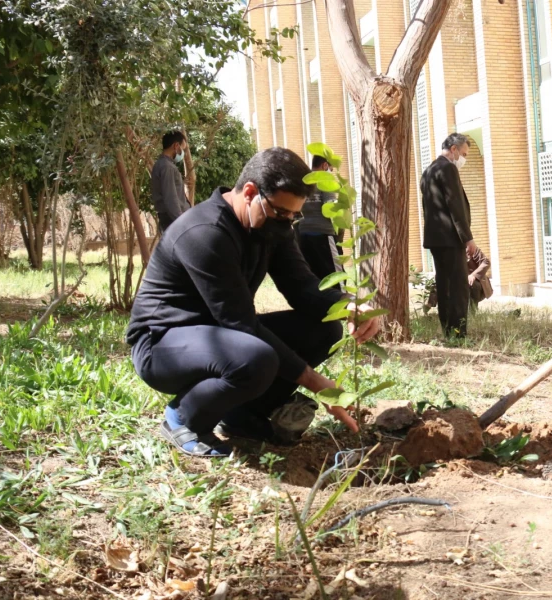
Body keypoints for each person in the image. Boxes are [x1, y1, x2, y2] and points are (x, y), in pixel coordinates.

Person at [126, 148, 381, 457]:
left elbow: (302, 287)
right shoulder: (205, 232)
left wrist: (348, 304)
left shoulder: (271, 227)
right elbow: (241, 324)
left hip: (218, 335)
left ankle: (243, 415)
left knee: (325, 331)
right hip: (161, 344)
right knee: (256, 358)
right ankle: (184, 416)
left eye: (294, 215)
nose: (286, 223)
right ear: (249, 192)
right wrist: (316, 383)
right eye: (281, 213)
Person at [421, 133, 477, 338]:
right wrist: (467, 238)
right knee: (459, 287)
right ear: (453, 149)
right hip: (451, 239)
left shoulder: (428, 171)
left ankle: (447, 331)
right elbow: (456, 205)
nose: (464, 159)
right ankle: (458, 333)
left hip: (436, 240)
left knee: (444, 285)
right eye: (464, 154)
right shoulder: (448, 168)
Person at [296, 155, 342, 286]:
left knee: (314, 278)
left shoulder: (304, 181)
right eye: (331, 169)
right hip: (324, 235)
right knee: (336, 278)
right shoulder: (325, 180)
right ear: (325, 165)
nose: (331, 172)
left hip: (304, 235)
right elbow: (330, 208)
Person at [151, 131, 191, 232]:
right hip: (173, 220)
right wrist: (181, 223)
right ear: (176, 146)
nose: (182, 153)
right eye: (182, 149)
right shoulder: (167, 167)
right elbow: (170, 198)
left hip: (171, 219)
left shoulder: (162, 165)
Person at [468, 244, 493, 310]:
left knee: (472, 283)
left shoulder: (469, 247)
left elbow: (486, 262)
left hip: (475, 286)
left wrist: (473, 275)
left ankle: (472, 312)